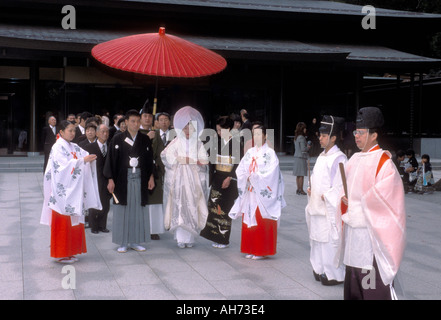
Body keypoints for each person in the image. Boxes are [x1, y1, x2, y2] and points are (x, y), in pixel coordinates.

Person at [338, 107, 406, 300]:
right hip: (353, 236)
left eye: (361, 132)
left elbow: (388, 200)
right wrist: (343, 198)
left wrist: (358, 203)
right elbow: (344, 191)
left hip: (370, 238)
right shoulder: (354, 159)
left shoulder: (384, 162)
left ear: (374, 135)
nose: (356, 136)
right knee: (353, 287)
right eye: (355, 132)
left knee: (372, 288)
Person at [40, 120, 101, 264]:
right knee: (63, 222)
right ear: (61, 132)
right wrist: (81, 161)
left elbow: (83, 155)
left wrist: (89, 159)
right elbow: (61, 168)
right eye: (70, 130)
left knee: (73, 222)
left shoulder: (73, 146)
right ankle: (61, 253)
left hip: (73, 190)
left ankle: (71, 251)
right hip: (62, 192)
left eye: (74, 130)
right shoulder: (57, 147)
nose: (73, 133)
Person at [229, 125, 286, 260]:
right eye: (254, 134)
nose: (257, 137)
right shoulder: (250, 152)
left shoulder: (270, 153)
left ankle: (261, 250)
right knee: (250, 218)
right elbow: (241, 169)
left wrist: (255, 177)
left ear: (265, 136)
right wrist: (245, 177)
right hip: (250, 192)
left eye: (260, 134)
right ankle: (250, 248)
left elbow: (272, 173)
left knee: (261, 219)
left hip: (261, 193)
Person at [103, 109, 155, 253]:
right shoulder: (117, 139)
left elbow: (150, 160)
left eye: (138, 121)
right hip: (122, 179)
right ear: (126, 122)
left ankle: (135, 240)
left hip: (140, 178)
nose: (136, 124)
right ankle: (123, 242)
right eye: (133, 121)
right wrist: (110, 179)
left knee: (138, 210)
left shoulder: (144, 139)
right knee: (122, 210)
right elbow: (111, 160)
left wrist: (151, 176)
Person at [305, 115, 347, 286]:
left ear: (333, 138)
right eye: (319, 135)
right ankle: (319, 267)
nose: (320, 138)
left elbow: (341, 186)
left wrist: (327, 195)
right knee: (316, 239)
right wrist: (311, 187)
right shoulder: (322, 156)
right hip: (316, 205)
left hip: (327, 207)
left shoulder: (339, 158)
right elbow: (317, 177)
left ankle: (334, 273)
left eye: (323, 136)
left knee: (328, 241)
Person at [161, 106, 210, 249]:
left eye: (190, 128)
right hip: (179, 179)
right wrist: (182, 159)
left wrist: (195, 161)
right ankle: (180, 238)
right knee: (180, 206)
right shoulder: (176, 141)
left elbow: (204, 160)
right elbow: (165, 156)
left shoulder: (198, 143)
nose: (188, 131)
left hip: (193, 179)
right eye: (185, 128)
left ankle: (190, 238)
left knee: (192, 205)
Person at [200, 116, 241, 248]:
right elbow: (208, 158)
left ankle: (223, 239)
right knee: (214, 208)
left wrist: (229, 178)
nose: (218, 132)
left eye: (220, 130)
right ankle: (214, 236)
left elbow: (237, 164)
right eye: (217, 130)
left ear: (228, 129)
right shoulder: (215, 143)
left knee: (224, 209)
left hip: (229, 178)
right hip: (217, 177)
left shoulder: (235, 143)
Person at [82, 124, 112, 234]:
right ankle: (93, 226)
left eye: (107, 132)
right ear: (97, 133)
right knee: (93, 203)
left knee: (105, 204)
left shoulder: (111, 146)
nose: (105, 134)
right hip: (93, 180)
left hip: (106, 180)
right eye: (103, 131)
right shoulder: (89, 147)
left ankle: (102, 225)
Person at [146, 112, 172, 240]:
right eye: (161, 120)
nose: (163, 122)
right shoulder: (153, 134)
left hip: (172, 171)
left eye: (166, 120)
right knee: (155, 201)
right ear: (157, 122)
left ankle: (172, 224)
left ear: (170, 121)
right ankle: (153, 229)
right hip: (156, 172)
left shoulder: (176, 135)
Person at [293, 122, 310, 195]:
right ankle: (301, 189)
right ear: (302, 129)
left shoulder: (296, 137)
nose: (306, 129)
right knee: (301, 175)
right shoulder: (302, 138)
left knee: (298, 175)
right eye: (304, 128)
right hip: (301, 157)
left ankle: (298, 189)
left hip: (296, 157)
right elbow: (303, 149)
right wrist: (308, 147)